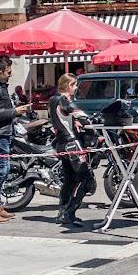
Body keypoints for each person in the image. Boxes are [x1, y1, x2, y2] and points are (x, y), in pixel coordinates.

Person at [0, 56, 31, 223]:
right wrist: (14, 112)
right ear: (0, 72)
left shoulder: (0, 87)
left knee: (4, 170)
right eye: (8, 72)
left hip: (5, 133)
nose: (10, 75)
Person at [49, 73, 96, 227]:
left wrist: (74, 121)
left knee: (70, 180)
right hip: (71, 145)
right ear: (68, 85)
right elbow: (78, 113)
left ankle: (62, 213)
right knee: (87, 179)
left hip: (61, 144)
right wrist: (92, 123)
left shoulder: (53, 100)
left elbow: (63, 118)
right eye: (74, 85)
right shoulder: (62, 99)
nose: (76, 88)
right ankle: (69, 213)